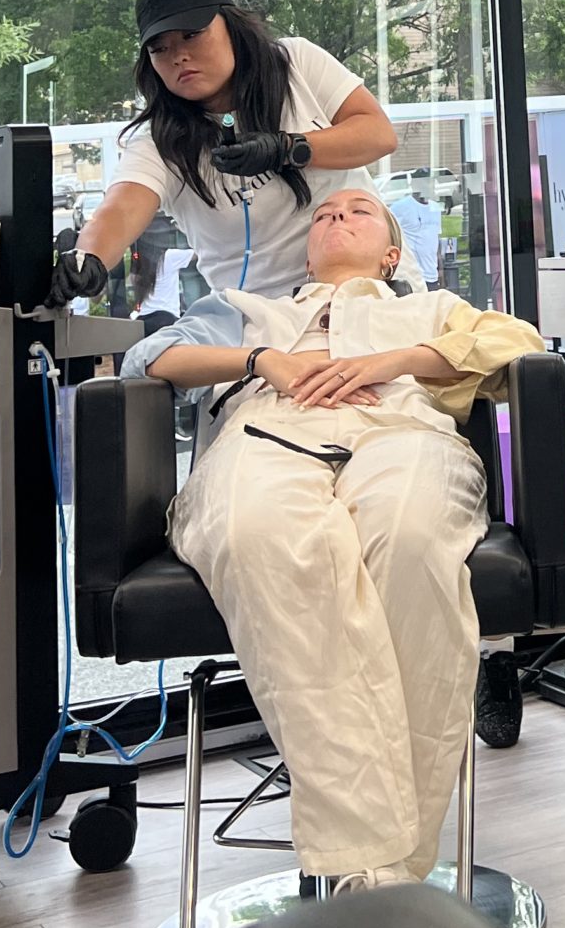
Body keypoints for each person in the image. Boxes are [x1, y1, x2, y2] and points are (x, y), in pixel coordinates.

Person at [120, 184, 543, 888]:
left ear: (392, 254)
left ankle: (367, 868)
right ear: (307, 253)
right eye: (323, 215)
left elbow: (518, 344)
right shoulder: (247, 309)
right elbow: (151, 358)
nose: (337, 217)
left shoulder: (431, 308)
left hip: (402, 430)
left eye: (358, 211)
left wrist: (390, 361)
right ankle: (384, 873)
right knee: (256, 533)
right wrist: (263, 361)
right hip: (266, 432)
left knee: (409, 539)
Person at [46, 0, 420, 308]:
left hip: (377, 292)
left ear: (231, 26)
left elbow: (378, 134)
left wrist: (286, 148)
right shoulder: (159, 143)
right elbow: (120, 209)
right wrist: (88, 259)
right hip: (262, 324)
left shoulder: (296, 64)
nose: (178, 56)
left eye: (192, 35)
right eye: (160, 48)